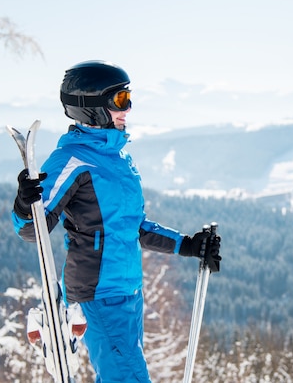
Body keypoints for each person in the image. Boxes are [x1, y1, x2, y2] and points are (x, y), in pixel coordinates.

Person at [11, 60, 221, 382]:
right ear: (92, 107)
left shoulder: (118, 157)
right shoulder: (72, 160)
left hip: (128, 291)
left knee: (117, 375)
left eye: (128, 98)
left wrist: (188, 245)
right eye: (120, 101)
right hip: (98, 294)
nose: (128, 109)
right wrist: (25, 204)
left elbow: (133, 226)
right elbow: (32, 229)